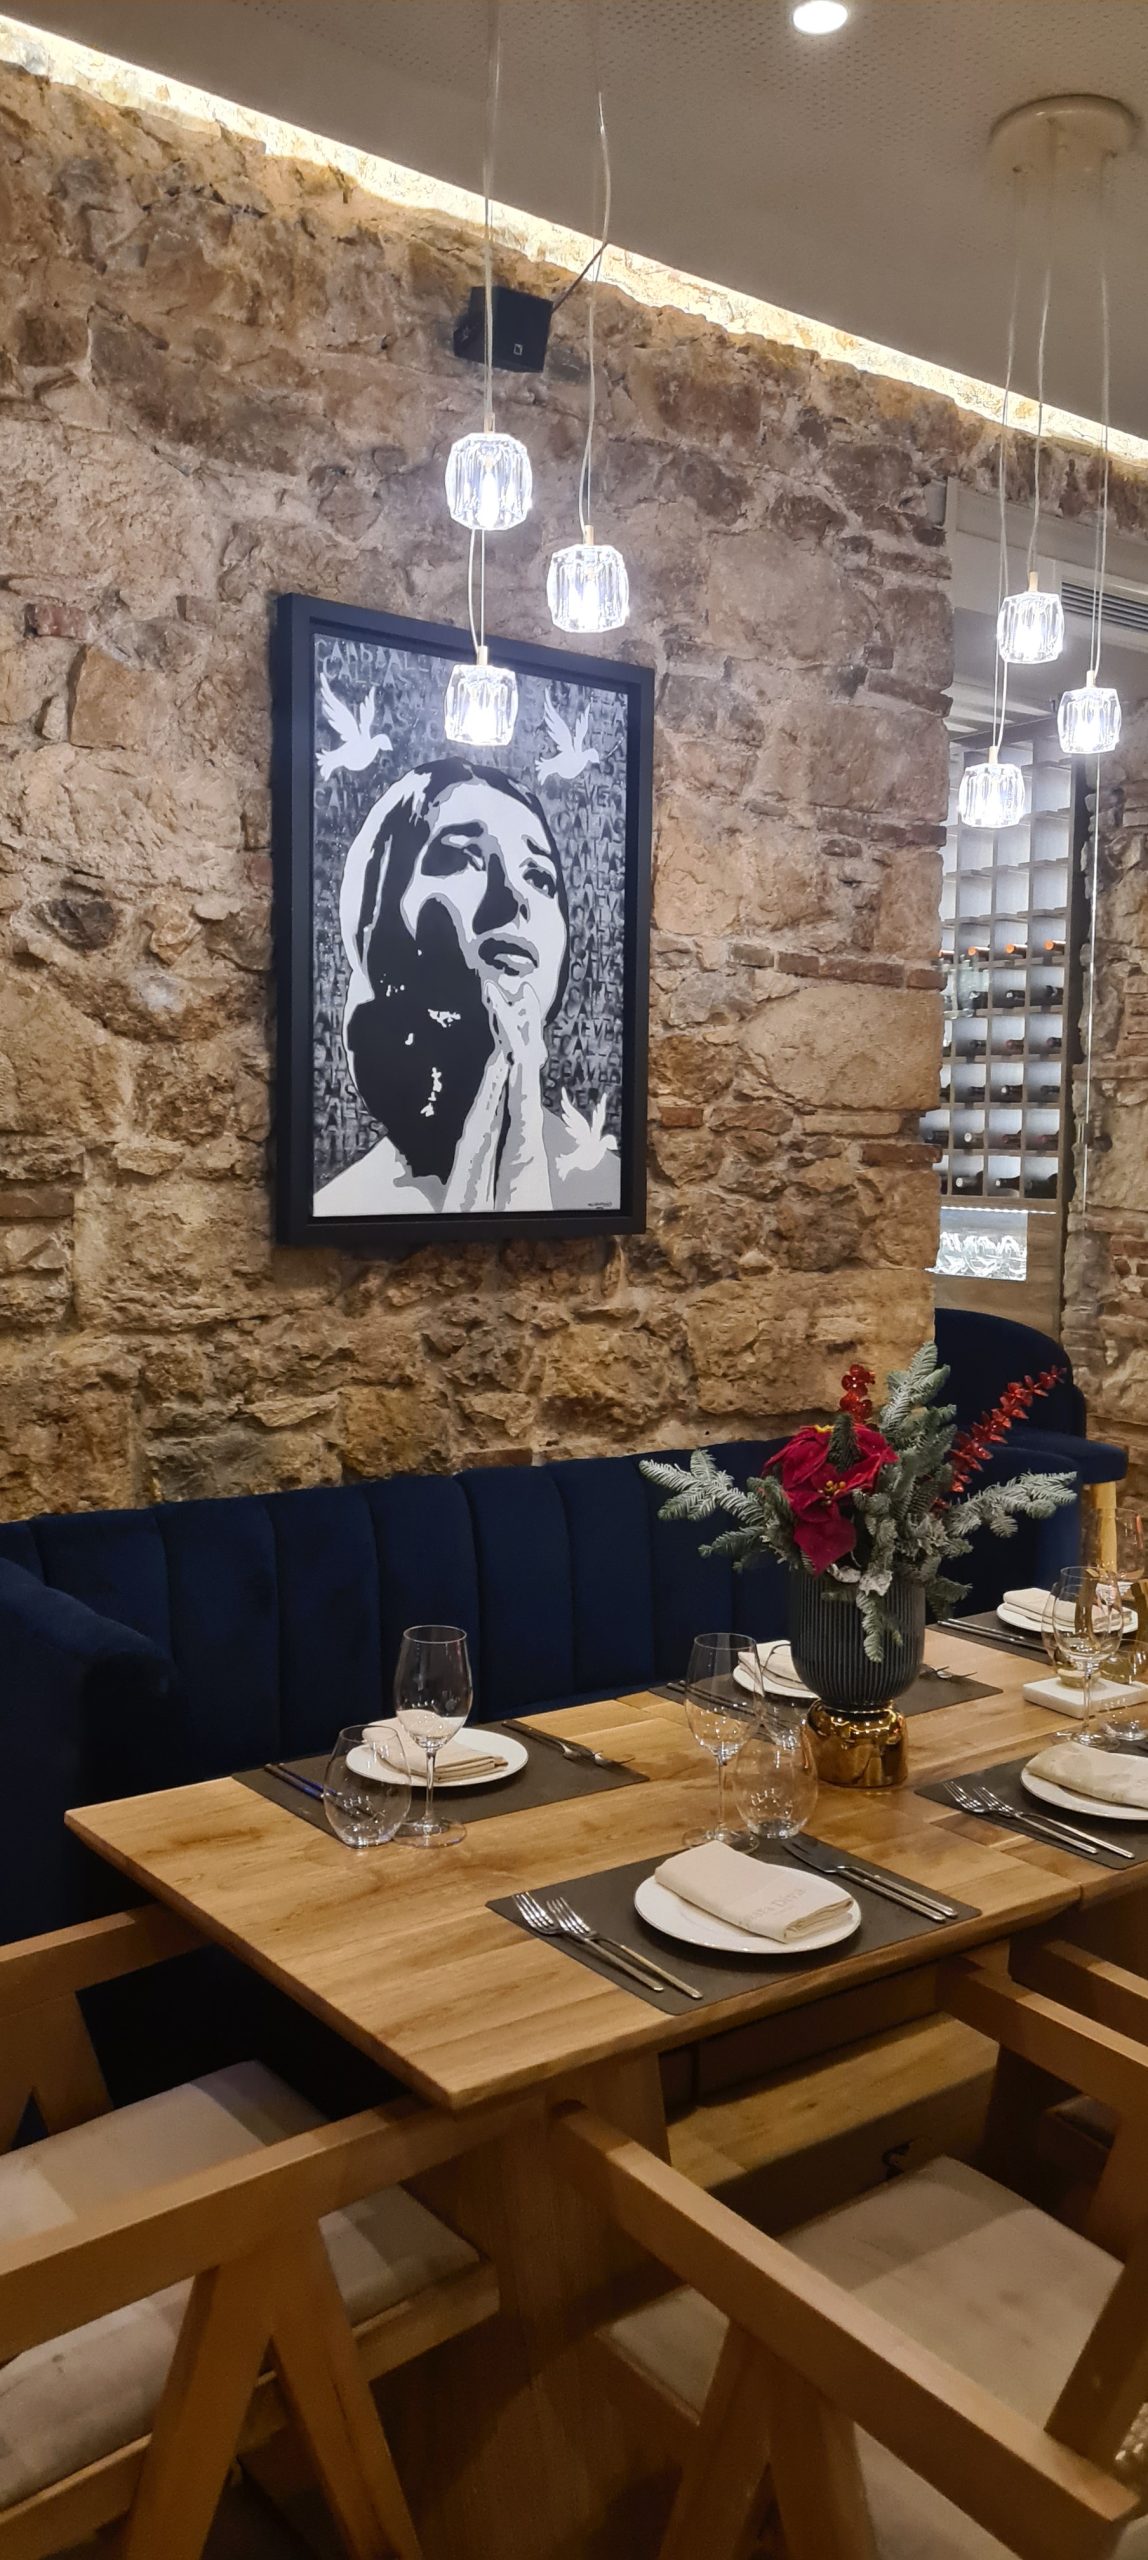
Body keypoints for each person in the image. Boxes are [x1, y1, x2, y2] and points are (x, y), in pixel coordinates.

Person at [313, 759, 620, 1217]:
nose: (513, 896)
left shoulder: (607, 1190)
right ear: (377, 912)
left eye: (539, 876)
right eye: (461, 856)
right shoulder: (340, 1210)